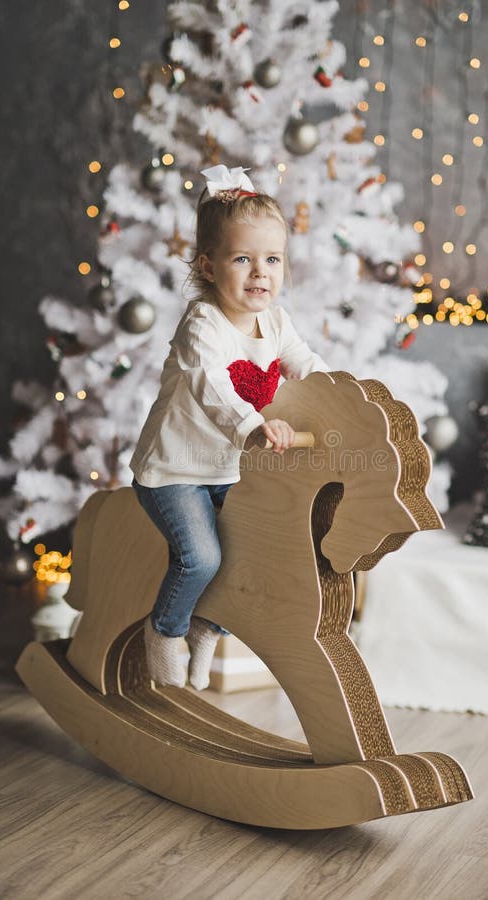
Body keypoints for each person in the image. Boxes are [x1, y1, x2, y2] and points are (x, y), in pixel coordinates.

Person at [130, 164, 329, 690]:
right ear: (210, 266)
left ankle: (207, 628)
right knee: (202, 556)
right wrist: (256, 425)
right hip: (174, 470)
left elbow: (305, 364)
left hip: (226, 469)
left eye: (272, 259)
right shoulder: (203, 324)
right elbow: (212, 387)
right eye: (243, 259)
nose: (260, 273)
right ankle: (164, 632)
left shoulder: (276, 322)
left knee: (246, 556)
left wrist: (340, 398)